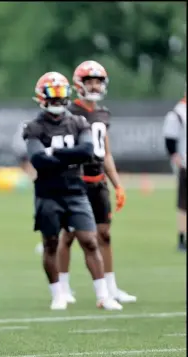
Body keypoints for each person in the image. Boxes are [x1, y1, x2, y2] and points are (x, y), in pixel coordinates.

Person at [23, 71, 122, 311]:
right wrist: (67, 156)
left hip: (76, 191)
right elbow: (37, 158)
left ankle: (103, 295)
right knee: (51, 243)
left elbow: (87, 151)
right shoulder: (35, 126)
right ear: (42, 98)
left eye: (60, 97)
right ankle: (58, 293)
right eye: (52, 97)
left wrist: (53, 153)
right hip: (48, 193)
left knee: (90, 240)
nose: (57, 102)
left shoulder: (77, 122)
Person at [56, 61, 135, 304]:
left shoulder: (103, 114)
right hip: (75, 182)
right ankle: (63, 287)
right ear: (79, 84)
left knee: (104, 235)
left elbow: (106, 153)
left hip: (97, 181)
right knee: (68, 235)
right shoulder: (69, 112)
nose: (93, 85)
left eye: (97, 81)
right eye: (89, 81)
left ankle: (111, 287)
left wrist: (117, 184)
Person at [163, 89, 186, 252]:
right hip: (186, 163)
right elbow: (170, 139)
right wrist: (175, 156)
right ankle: (182, 238)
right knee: (184, 204)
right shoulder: (178, 113)